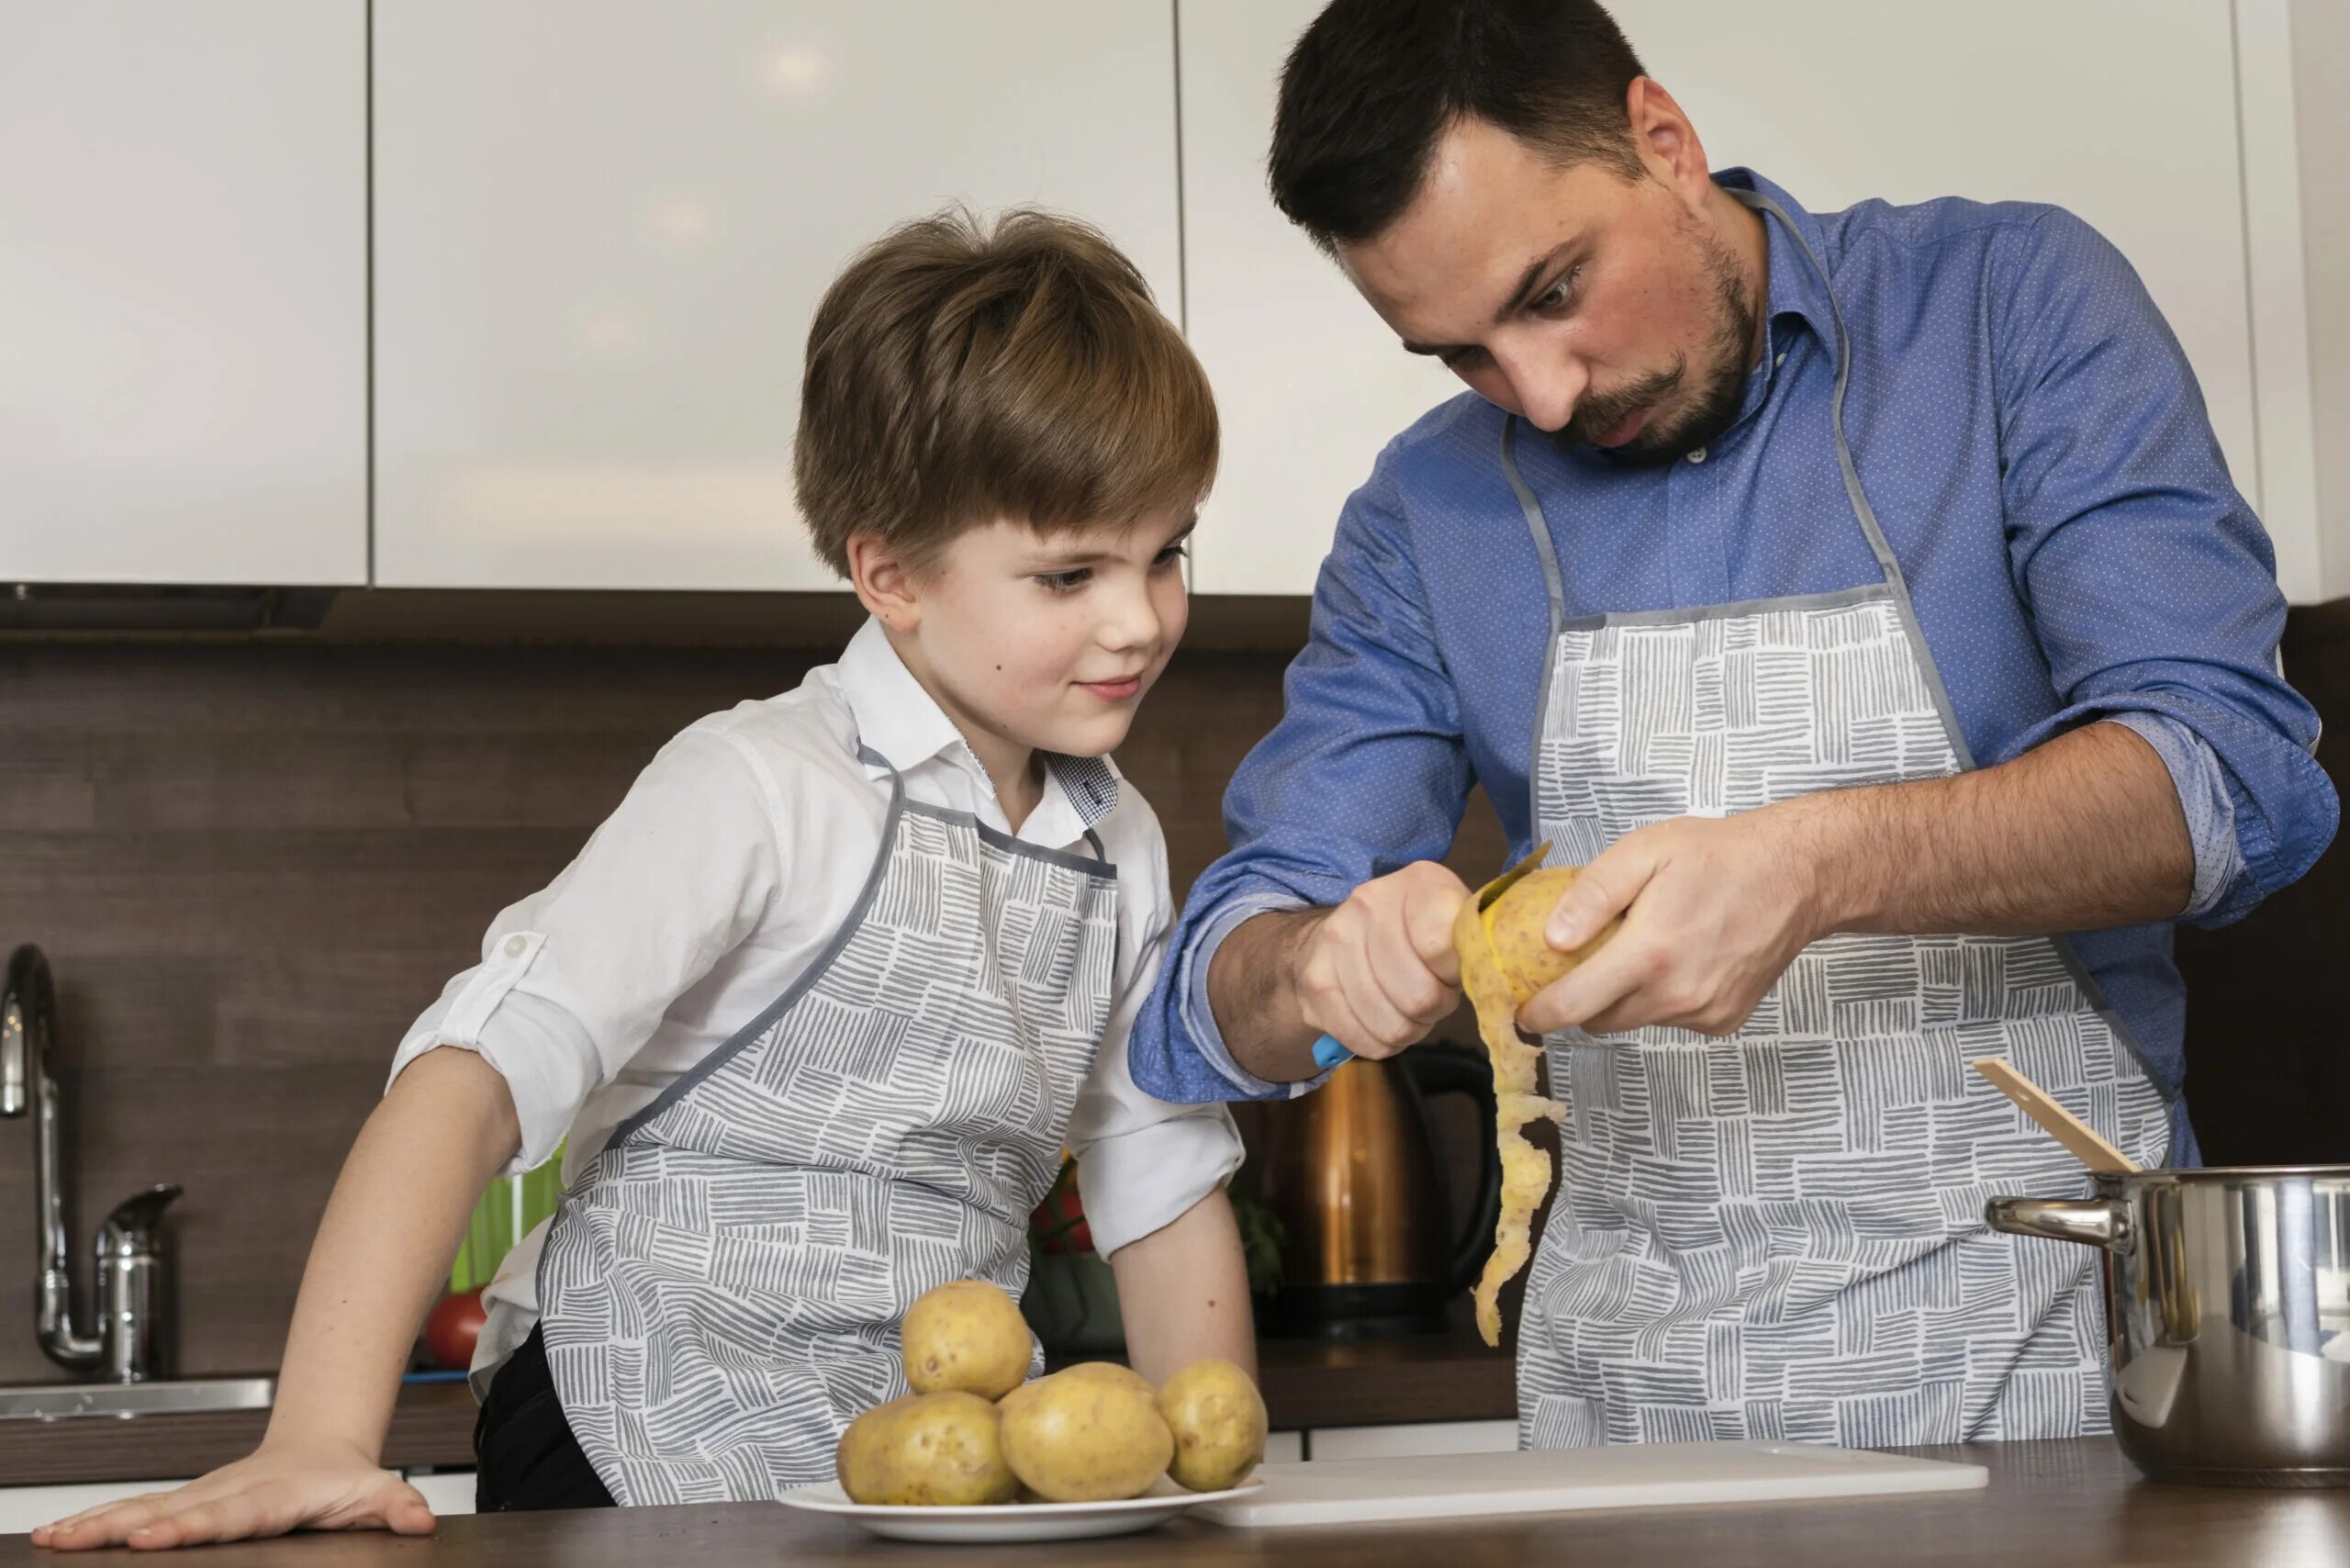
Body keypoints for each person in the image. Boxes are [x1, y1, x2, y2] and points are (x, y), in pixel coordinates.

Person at [1132, 0, 2336, 1448]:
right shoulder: (1420, 518)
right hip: (1629, 1432)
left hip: (2052, 1395)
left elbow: (2232, 780)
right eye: (1458, 355)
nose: (1543, 394)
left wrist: (1814, 865)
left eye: (1555, 291)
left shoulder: (2007, 309)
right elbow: (1217, 990)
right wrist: (1316, 966)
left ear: (1664, 139)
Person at [39, 208, 1249, 1551]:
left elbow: (1157, 1168)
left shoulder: (1118, 844)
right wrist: (320, 1434)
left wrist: (1216, 1461)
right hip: (625, 1413)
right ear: (887, 573)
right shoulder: (759, 787)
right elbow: (473, 1081)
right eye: (1071, 572)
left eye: (1166, 553)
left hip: (913, 1454)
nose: (1140, 619)